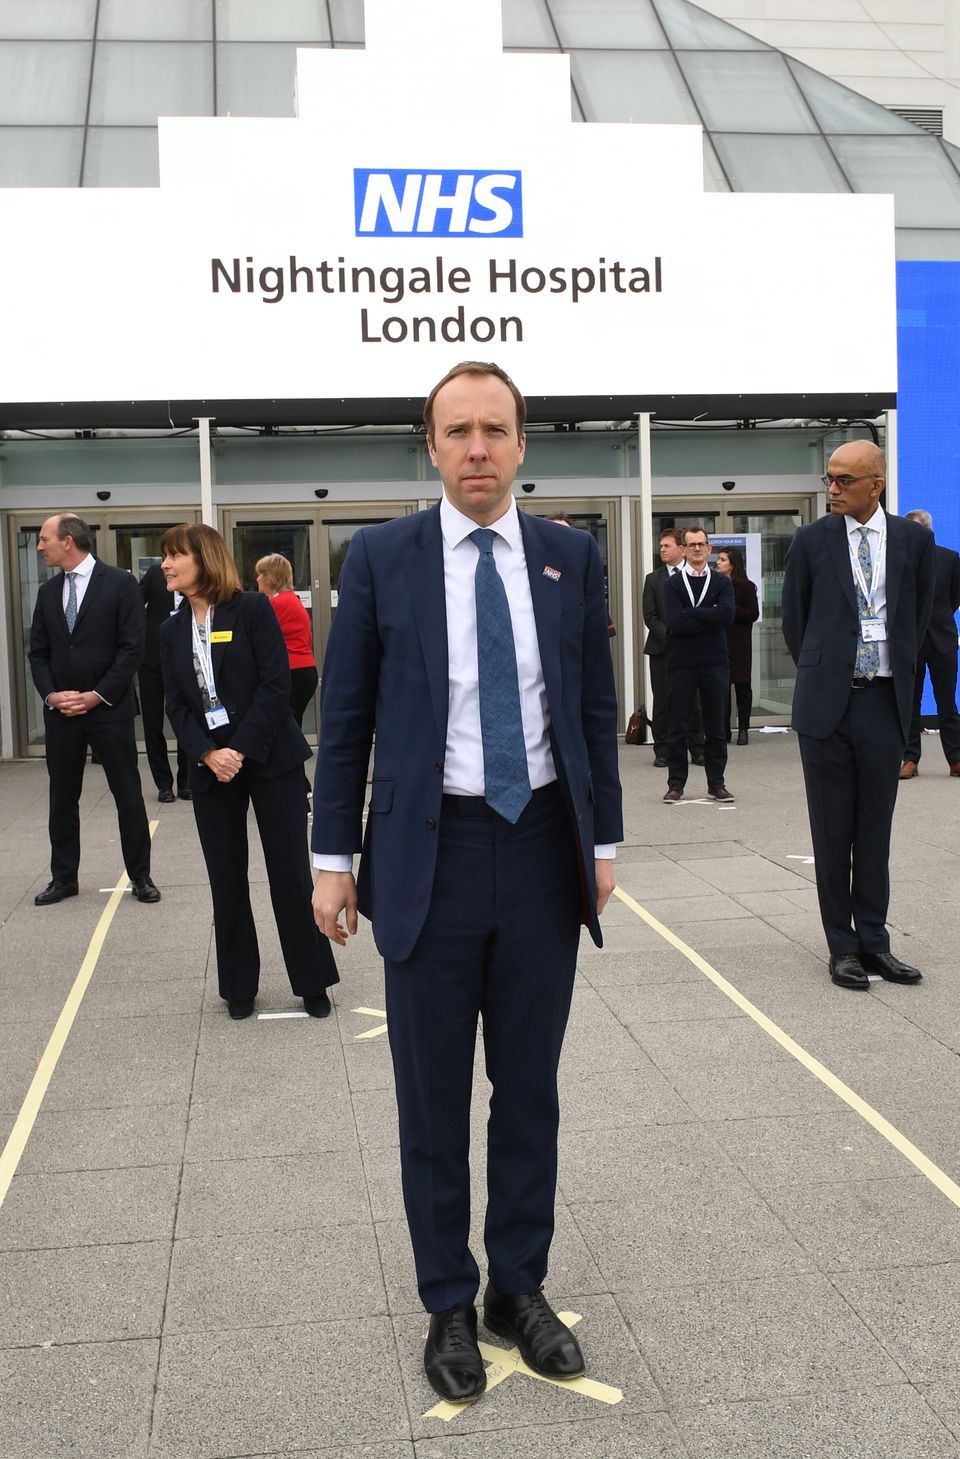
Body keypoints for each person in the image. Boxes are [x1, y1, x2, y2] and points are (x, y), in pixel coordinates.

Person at [310, 361, 622, 1404]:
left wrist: (604, 843)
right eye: (459, 431)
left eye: (496, 428)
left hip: (540, 847)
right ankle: (448, 1293)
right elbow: (344, 720)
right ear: (431, 447)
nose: (478, 448)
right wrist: (330, 862)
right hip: (424, 856)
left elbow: (590, 711)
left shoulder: (571, 557)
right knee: (432, 1099)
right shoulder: (383, 558)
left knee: (528, 1090)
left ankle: (515, 1286)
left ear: (522, 443)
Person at [159, 523, 338, 1019]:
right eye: (165, 557)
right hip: (209, 767)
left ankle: (313, 980)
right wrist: (207, 753)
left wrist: (237, 748)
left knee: (289, 871)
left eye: (175, 556)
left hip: (268, 756)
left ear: (206, 559)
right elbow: (175, 704)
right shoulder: (170, 630)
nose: (166, 565)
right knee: (226, 877)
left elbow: (276, 683)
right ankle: (239, 985)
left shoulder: (252, 609)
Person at [782, 441, 935, 990]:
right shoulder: (810, 541)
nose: (833, 489)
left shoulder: (915, 540)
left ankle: (876, 942)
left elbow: (916, 620)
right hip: (829, 706)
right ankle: (842, 948)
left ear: (877, 483)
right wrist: (828, 674)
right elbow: (795, 624)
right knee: (831, 832)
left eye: (845, 480)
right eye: (829, 479)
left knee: (874, 831)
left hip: (883, 703)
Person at [29, 514, 160, 906]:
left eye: (44, 539)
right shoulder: (48, 592)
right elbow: (38, 653)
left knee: (128, 796)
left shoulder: (119, 584)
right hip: (62, 716)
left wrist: (96, 695)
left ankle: (141, 877)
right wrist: (52, 696)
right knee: (62, 799)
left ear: (68, 541)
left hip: (109, 710)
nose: (39, 546)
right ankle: (63, 878)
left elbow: (132, 648)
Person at [662, 525, 735, 803]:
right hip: (681, 663)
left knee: (716, 724)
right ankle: (676, 784)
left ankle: (716, 782)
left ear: (709, 548)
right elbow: (675, 622)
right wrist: (708, 615)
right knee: (678, 725)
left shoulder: (721, 583)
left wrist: (691, 613)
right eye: (690, 544)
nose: (696, 549)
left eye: (701, 544)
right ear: (683, 549)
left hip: (715, 661)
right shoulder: (673, 584)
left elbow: (727, 616)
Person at [899, 509, 960, 780]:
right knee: (910, 704)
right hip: (910, 641)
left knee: (947, 703)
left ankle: (956, 759)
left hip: (942, 640)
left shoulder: (950, 558)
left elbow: (955, 597)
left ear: (927, 531)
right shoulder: (897, 562)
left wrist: (937, 617)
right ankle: (910, 759)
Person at [255, 553, 319, 795]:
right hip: (303, 671)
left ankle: (299, 786)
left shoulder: (276, 604)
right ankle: (299, 785)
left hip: (292, 673)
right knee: (290, 728)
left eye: (261, 574)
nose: (257, 578)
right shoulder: (292, 601)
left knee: (286, 731)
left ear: (270, 578)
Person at [643, 528, 706, 767]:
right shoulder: (653, 579)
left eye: (667, 546)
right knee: (662, 702)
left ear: (682, 549)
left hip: (692, 649)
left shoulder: (696, 575)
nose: (662, 550)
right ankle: (663, 750)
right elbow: (650, 616)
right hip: (662, 649)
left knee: (694, 701)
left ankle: (697, 748)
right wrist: (670, 637)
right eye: (661, 547)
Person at [138, 561, 190, 803]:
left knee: (186, 717)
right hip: (152, 658)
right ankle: (163, 784)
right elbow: (135, 605)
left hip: (186, 658)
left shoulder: (194, 574)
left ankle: (186, 781)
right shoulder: (154, 574)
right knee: (152, 722)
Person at [715, 546, 760, 746]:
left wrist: (728, 610)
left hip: (740, 643)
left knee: (743, 688)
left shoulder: (746, 586)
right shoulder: (715, 584)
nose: (718, 562)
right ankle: (723, 731)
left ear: (733, 564)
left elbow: (752, 614)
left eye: (722, 560)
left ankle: (743, 729)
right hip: (719, 642)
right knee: (721, 690)